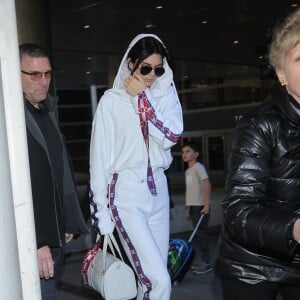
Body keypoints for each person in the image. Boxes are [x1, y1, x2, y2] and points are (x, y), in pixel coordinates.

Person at [215, 7, 300, 300]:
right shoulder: (259, 125)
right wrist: (293, 229)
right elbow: (238, 210)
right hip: (250, 267)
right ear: (281, 72)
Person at [89, 33, 183, 299]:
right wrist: (102, 216)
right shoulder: (111, 102)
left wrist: (143, 99)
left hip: (159, 190)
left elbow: (170, 137)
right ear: (130, 63)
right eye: (145, 68)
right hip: (127, 195)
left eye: (158, 68)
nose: (152, 75)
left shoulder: (163, 96)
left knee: (149, 280)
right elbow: (98, 161)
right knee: (159, 281)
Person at [19, 43, 87, 300]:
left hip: (56, 237)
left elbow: (59, 173)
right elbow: (22, 189)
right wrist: (36, 242)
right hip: (36, 242)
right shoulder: (13, 120)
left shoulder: (47, 113)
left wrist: (67, 218)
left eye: (47, 74)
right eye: (34, 74)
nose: (43, 81)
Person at [181, 142, 212, 274]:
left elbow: (207, 184)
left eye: (188, 151)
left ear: (196, 154)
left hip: (200, 207)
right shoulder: (188, 171)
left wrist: (206, 204)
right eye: (183, 152)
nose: (184, 154)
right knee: (198, 236)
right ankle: (202, 261)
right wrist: (188, 208)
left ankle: (206, 263)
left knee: (201, 235)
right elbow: (190, 190)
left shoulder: (199, 167)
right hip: (193, 207)